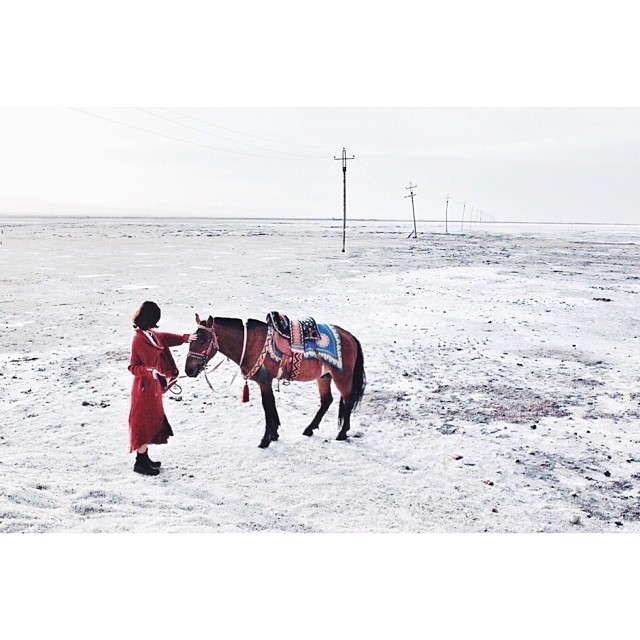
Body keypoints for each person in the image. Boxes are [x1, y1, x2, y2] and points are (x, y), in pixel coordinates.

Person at [128, 301, 195, 476]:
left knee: (150, 422)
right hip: (143, 389)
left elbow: (166, 337)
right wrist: (150, 372)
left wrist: (185, 338)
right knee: (142, 424)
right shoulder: (138, 339)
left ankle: (144, 458)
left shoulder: (151, 334)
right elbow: (133, 367)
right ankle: (140, 463)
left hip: (154, 388)